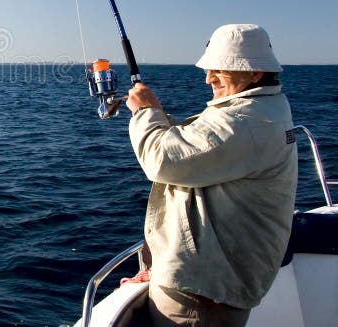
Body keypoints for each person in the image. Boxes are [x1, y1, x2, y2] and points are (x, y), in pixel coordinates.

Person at [125, 24, 298, 327]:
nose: (208, 78)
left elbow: (163, 160)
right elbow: (202, 150)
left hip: (200, 295)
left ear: (255, 73)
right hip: (212, 283)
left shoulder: (246, 120)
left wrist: (146, 113)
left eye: (220, 69)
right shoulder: (261, 108)